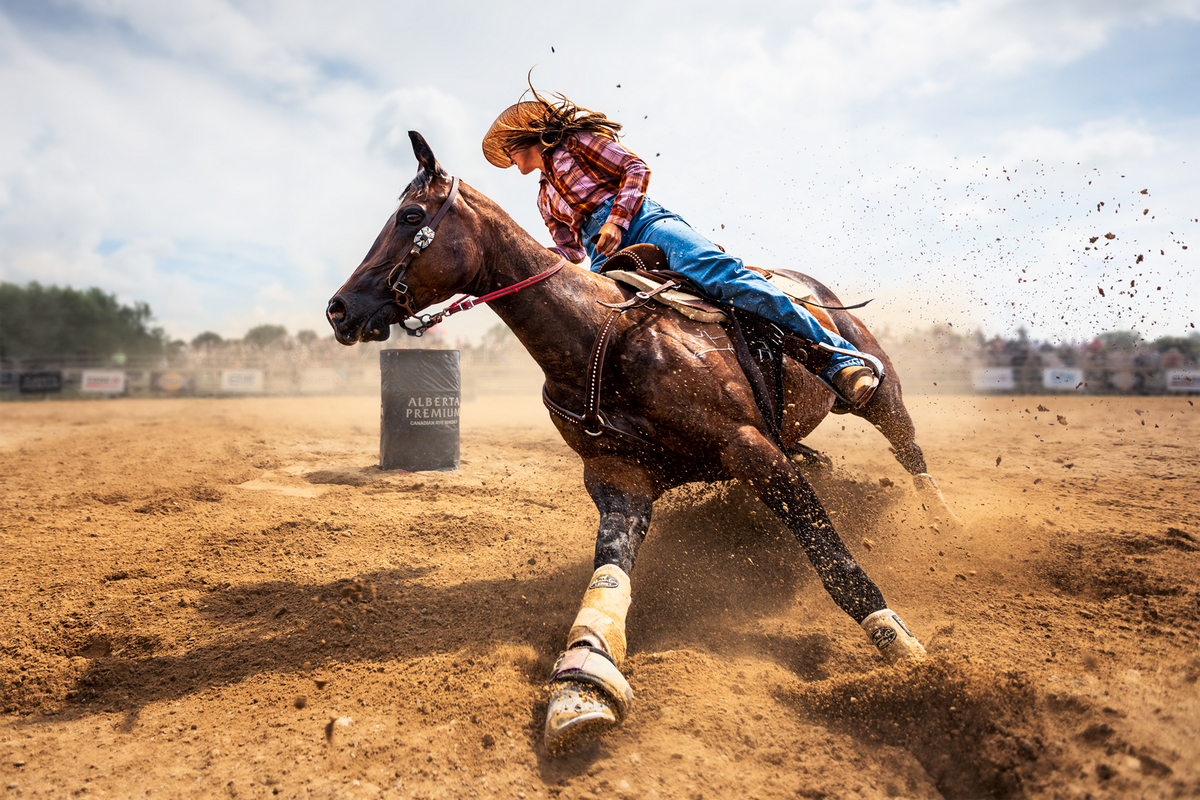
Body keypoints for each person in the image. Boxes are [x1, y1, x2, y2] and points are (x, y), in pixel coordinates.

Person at [481, 88, 879, 407]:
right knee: (604, 330)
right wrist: (540, 261)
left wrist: (618, 221)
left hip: (646, 223)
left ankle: (842, 360)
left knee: (723, 277)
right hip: (602, 252)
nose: (509, 159)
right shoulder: (544, 198)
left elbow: (635, 169)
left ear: (526, 138)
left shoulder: (579, 143)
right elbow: (570, 251)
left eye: (509, 150)